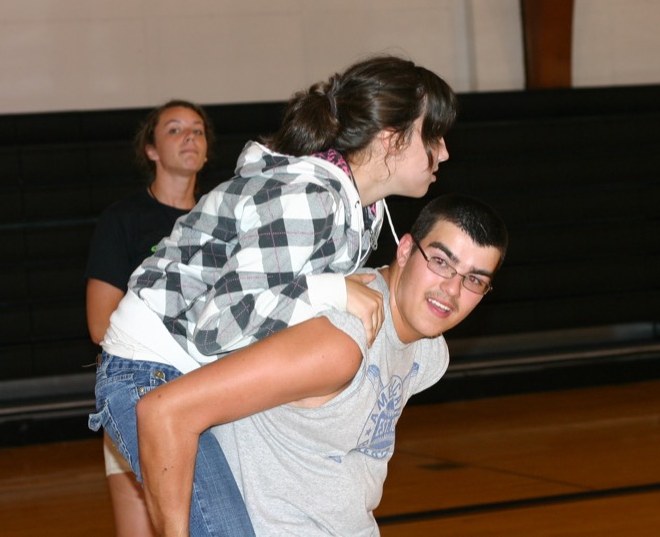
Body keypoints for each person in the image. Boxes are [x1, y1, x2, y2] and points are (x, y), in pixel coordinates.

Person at [89, 55, 459, 536]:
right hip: (149, 370)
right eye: (434, 135)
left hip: (191, 372)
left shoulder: (357, 207)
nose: (444, 152)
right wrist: (330, 289)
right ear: (391, 139)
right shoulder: (309, 196)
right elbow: (217, 326)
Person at [138, 194, 508, 536]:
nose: (452, 290)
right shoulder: (341, 340)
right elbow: (165, 411)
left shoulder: (429, 355)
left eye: (474, 279)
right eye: (441, 262)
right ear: (406, 250)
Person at [85, 100, 214, 537]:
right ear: (152, 150)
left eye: (197, 130)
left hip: (212, 398)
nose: (189, 137)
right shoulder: (122, 221)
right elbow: (100, 324)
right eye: (175, 129)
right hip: (141, 394)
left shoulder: (221, 218)